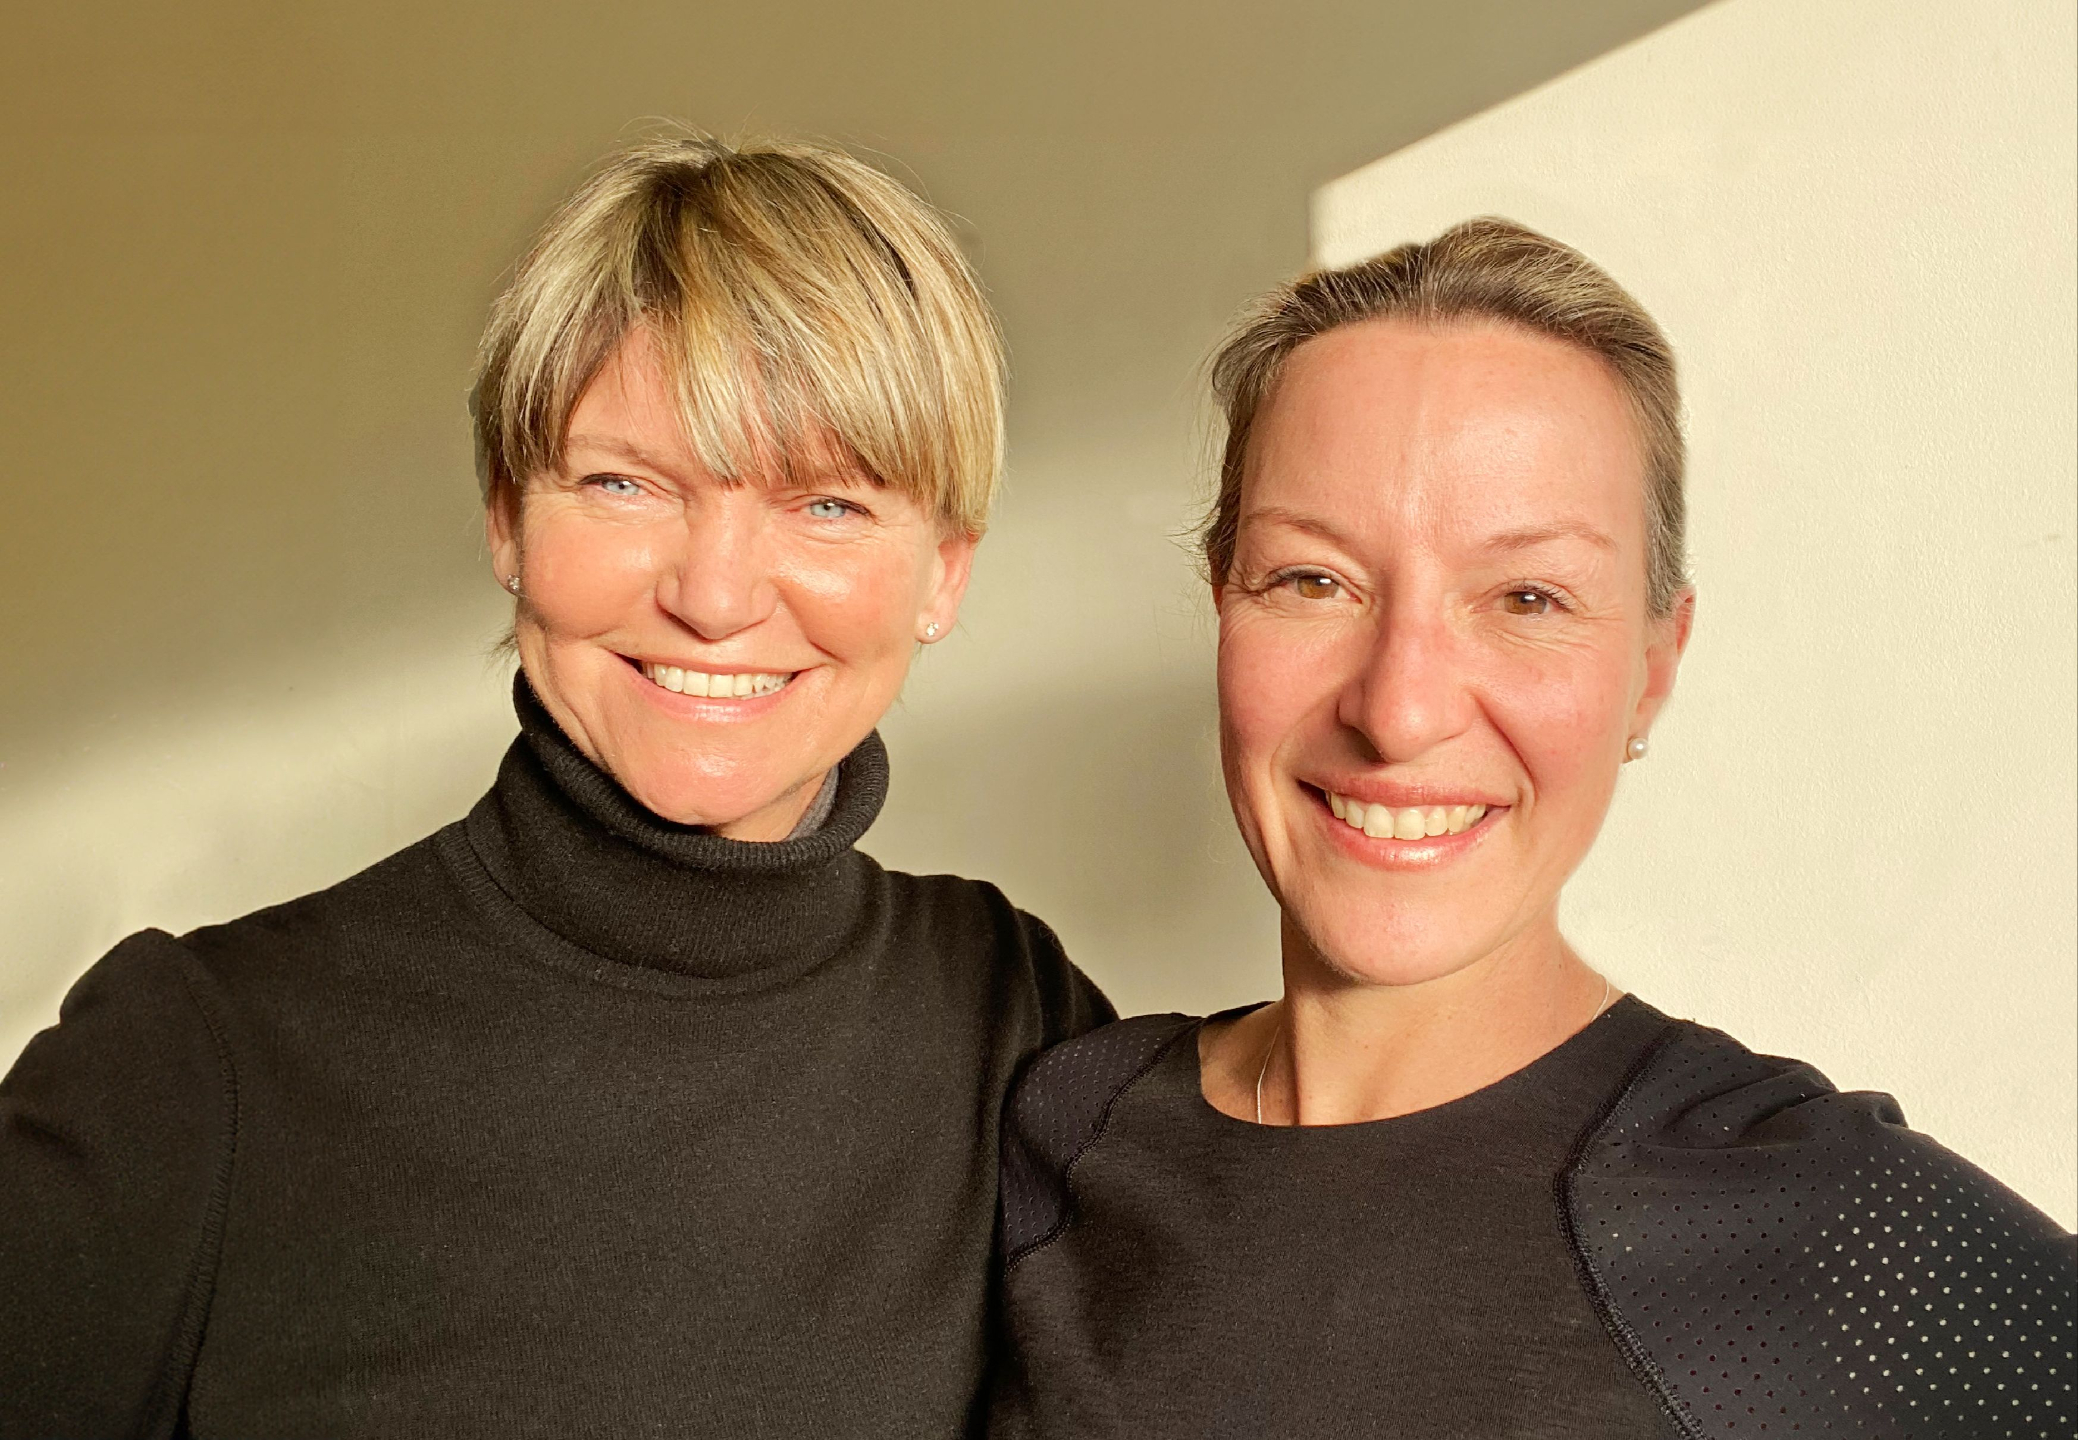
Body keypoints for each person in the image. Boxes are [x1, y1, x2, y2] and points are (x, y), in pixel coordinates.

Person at [0, 134, 1111, 1438]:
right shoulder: (194, 1067)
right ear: (505, 519)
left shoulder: (1014, 1018)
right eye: (623, 484)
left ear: (944, 573)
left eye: (825, 505)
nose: (713, 597)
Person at [989, 219, 2074, 1439]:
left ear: (1652, 667)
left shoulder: (1799, 1219)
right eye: (1311, 580)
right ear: (1220, 606)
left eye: (1526, 598)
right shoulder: (1065, 1123)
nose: (1398, 709)